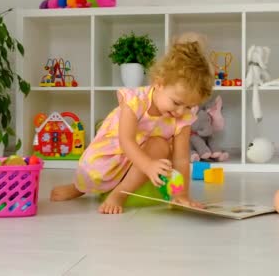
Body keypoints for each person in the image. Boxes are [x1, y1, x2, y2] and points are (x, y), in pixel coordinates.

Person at [50, 33, 215, 214]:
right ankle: (78, 188)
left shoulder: (182, 118)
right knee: (93, 175)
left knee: (160, 145)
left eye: (189, 106)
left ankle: (120, 193)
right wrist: (148, 165)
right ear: (158, 83)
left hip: (143, 158)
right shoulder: (135, 100)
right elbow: (126, 141)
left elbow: (181, 159)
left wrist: (182, 195)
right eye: (176, 103)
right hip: (113, 154)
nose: (180, 112)